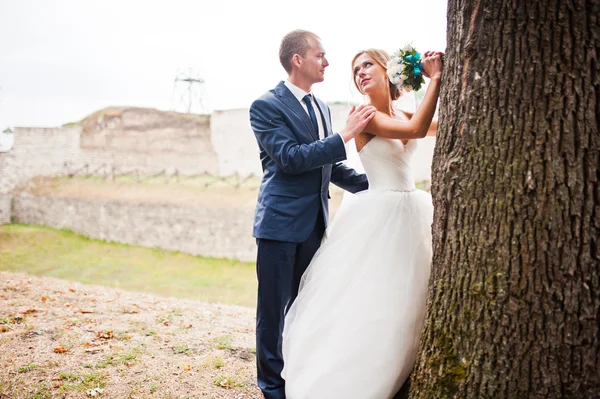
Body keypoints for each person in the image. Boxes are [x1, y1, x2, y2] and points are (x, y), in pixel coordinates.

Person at [281, 48, 443, 399]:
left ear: (388, 70)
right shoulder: (363, 115)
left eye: (367, 64)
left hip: (411, 209)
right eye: (356, 70)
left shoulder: (401, 110)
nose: (361, 73)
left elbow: (434, 123)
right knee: (376, 296)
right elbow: (416, 129)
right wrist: (436, 79)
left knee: (410, 293)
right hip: (379, 213)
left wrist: (435, 80)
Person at [249, 30, 376, 399]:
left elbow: (330, 167)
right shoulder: (265, 106)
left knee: (305, 309)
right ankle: (273, 389)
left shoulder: (320, 107)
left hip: (315, 224)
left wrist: (379, 187)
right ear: (297, 60)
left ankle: (300, 378)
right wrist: (346, 135)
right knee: (272, 314)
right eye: (320, 55)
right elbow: (290, 159)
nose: (327, 62)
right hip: (279, 224)